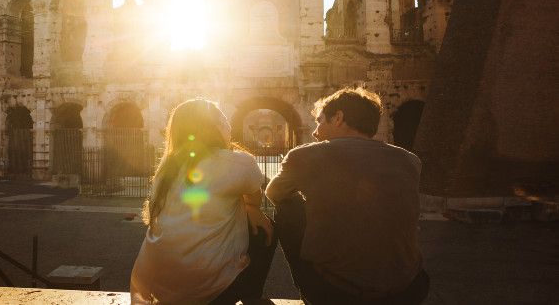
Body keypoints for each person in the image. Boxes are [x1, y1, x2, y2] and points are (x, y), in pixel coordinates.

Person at [266, 88, 429, 305]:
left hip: (336, 291)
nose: (315, 131)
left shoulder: (306, 155)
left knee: (287, 207)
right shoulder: (410, 160)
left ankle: (309, 295)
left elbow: (273, 192)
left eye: (319, 121)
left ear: (339, 117)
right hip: (409, 289)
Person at [131, 98, 277, 304]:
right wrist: (251, 208)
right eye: (224, 120)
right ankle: (250, 293)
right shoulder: (238, 162)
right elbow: (254, 196)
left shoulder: (166, 169)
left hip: (159, 286)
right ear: (212, 127)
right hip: (209, 288)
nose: (229, 125)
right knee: (265, 228)